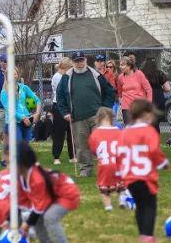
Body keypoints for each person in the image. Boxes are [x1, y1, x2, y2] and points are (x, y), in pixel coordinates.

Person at [117, 98, 170, 243]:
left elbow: (119, 153)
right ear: (146, 114)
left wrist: (119, 173)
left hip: (130, 178)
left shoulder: (124, 132)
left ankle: (142, 234)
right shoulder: (149, 131)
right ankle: (148, 235)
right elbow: (154, 150)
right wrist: (163, 163)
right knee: (149, 206)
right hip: (145, 177)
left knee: (140, 206)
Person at [56, 51, 116, 179]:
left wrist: (105, 108)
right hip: (77, 117)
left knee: (101, 143)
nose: (79, 63)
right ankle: (85, 170)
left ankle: (106, 168)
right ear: (72, 62)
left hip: (97, 116)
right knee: (82, 146)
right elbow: (60, 96)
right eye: (76, 61)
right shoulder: (66, 77)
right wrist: (65, 112)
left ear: (85, 60)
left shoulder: (96, 75)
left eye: (81, 60)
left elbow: (110, 91)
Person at [17, 143, 79, 243]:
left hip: (67, 195)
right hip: (52, 196)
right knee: (38, 218)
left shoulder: (36, 178)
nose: (8, 167)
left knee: (50, 217)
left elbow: (39, 207)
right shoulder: (21, 177)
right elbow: (22, 202)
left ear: (22, 163)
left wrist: (26, 225)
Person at [88, 107, 122, 211]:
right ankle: (122, 201)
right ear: (112, 119)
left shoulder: (95, 133)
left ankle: (108, 206)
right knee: (121, 185)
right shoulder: (118, 131)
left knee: (104, 188)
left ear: (98, 119)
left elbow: (93, 149)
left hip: (104, 165)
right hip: (118, 164)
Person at [0, 76, 42, 146]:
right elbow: (10, 110)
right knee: (17, 145)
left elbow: (37, 100)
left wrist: (37, 113)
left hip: (26, 121)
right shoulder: (4, 92)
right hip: (13, 122)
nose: (14, 75)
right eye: (12, 74)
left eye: (15, 74)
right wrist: (22, 117)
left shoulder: (24, 88)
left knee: (25, 147)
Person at [48, 57, 73, 165]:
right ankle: (56, 157)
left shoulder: (67, 76)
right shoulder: (58, 77)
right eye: (70, 68)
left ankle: (72, 156)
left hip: (69, 106)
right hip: (59, 106)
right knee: (59, 133)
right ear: (66, 67)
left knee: (71, 132)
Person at [116, 56, 152, 125]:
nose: (120, 67)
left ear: (129, 66)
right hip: (126, 107)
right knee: (128, 128)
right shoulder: (120, 77)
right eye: (120, 65)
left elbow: (148, 89)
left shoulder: (139, 74)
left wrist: (149, 103)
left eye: (122, 65)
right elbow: (119, 91)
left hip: (139, 106)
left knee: (140, 128)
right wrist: (121, 100)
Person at [141, 56, 170, 134]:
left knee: (147, 120)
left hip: (146, 97)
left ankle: (147, 139)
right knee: (156, 121)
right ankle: (156, 139)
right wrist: (160, 90)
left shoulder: (142, 74)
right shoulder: (160, 73)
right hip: (158, 96)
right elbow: (168, 88)